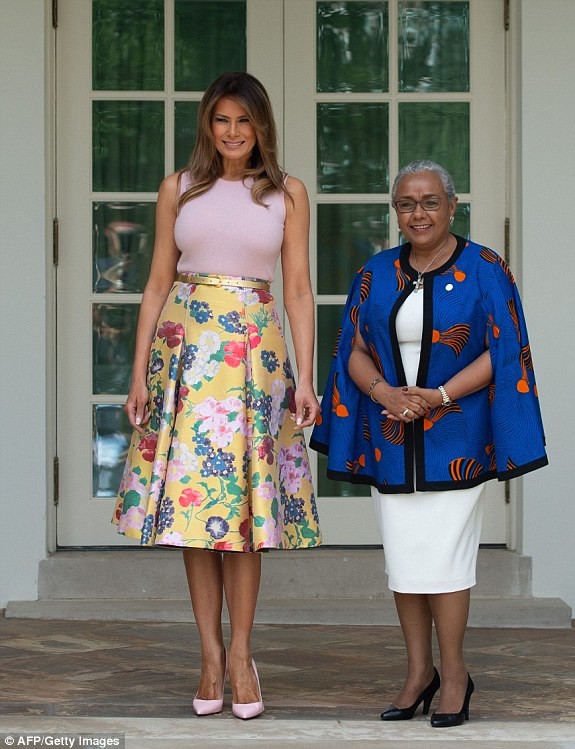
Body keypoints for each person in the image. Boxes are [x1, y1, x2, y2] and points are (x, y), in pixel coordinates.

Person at [113, 71, 322, 720]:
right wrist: (139, 373)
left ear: (261, 127)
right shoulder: (177, 189)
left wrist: (305, 377)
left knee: (246, 518)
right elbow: (155, 284)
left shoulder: (287, 192)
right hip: (184, 360)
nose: (233, 132)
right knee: (195, 512)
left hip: (255, 363)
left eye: (244, 121)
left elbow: (297, 288)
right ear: (208, 124)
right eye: (222, 120)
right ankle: (209, 655)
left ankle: (241, 656)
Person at [310, 160, 547, 728]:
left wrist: (439, 395)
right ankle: (419, 673)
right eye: (406, 204)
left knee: (445, 560)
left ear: (452, 206)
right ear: (396, 211)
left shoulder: (485, 267)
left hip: (457, 439)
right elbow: (353, 348)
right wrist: (386, 394)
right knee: (405, 561)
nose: (418, 213)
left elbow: (504, 347)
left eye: (430, 202)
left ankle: (455, 674)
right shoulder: (376, 272)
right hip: (393, 439)